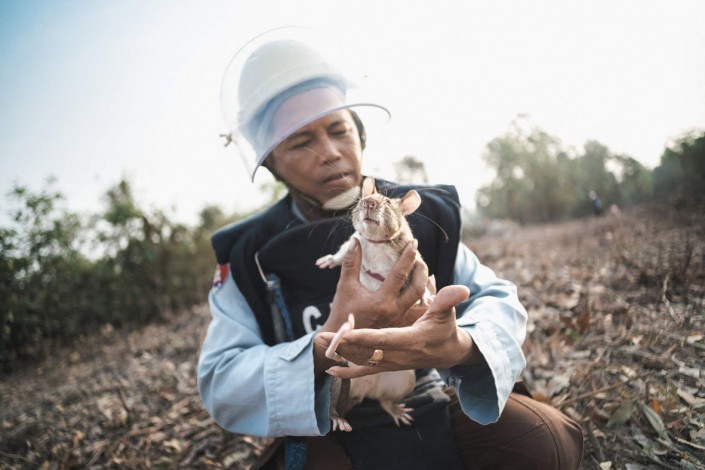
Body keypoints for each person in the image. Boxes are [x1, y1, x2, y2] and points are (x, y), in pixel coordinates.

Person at [198, 28, 583, 469]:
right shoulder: (249, 255)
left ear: (359, 132)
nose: (329, 153)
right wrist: (328, 345)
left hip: (427, 396)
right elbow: (220, 379)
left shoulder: (417, 215)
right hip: (328, 424)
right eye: (301, 141)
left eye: (338, 130)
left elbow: (497, 300)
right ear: (270, 160)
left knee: (543, 444)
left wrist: (457, 345)